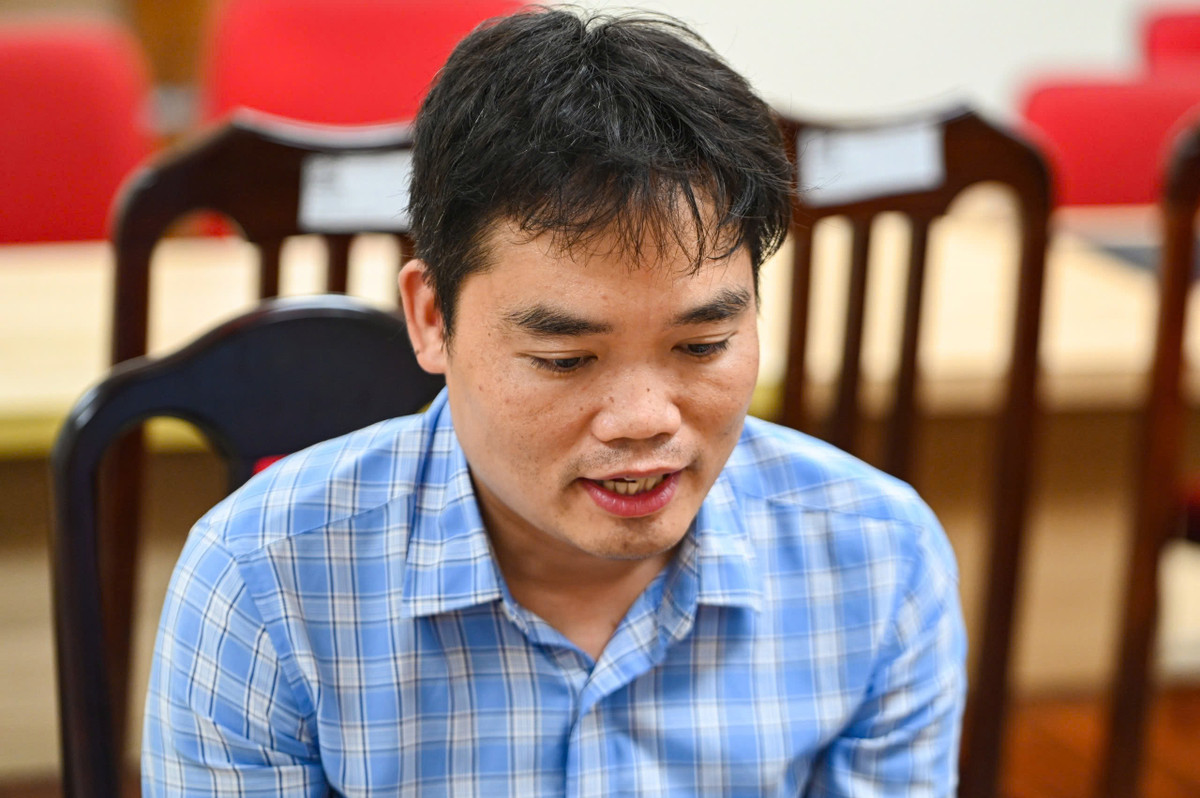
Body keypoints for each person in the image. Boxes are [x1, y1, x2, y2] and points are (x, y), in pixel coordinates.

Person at [143, 7, 966, 796]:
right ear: (432, 319)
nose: (644, 419)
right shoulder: (267, 584)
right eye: (566, 359)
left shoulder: (877, 560)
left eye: (702, 346)